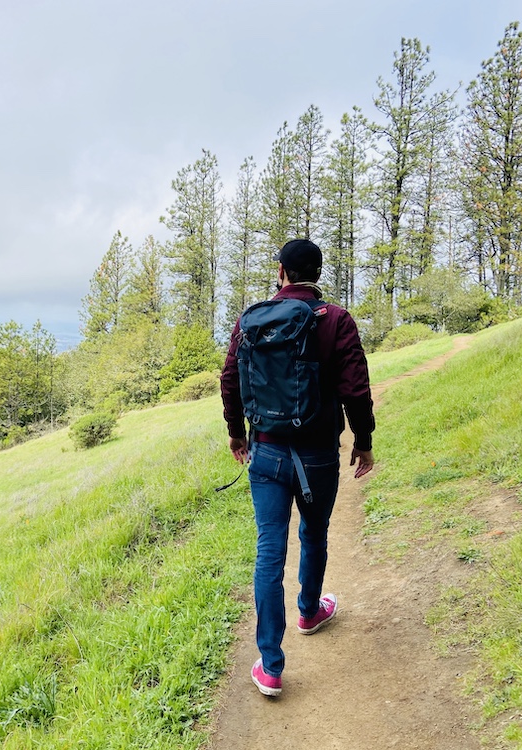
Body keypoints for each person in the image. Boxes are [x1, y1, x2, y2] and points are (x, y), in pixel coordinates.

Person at [220, 238, 375, 697]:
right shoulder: (336, 321)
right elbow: (356, 389)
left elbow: (230, 377)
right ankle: (309, 611)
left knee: (270, 549)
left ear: (282, 272)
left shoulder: (253, 319)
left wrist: (236, 431)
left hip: (265, 452)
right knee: (314, 532)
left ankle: (270, 667)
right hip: (318, 455)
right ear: (317, 274)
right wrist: (363, 442)